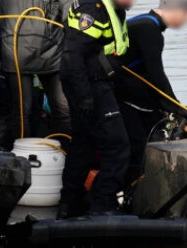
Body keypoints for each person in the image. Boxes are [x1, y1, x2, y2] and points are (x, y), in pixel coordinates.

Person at [58, 0, 134, 218]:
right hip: (88, 84)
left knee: (84, 144)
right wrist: (85, 96)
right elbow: (72, 55)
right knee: (118, 145)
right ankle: (102, 204)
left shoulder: (116, 9)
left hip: (94, 82)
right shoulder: (93, 10)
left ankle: (69, 204)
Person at [0, 0, 69, 146]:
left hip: (49, 53)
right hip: (17, 52)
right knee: (27, 110)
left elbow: (69, 8)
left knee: (55, 109)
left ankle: (65, 152)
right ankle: (24, 153)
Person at [116, 0, 187, 184]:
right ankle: (125, 191)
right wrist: (177, 108)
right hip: (117, 95)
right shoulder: (149, 30)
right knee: (137, 145)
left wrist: (171, 107)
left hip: (122, 92)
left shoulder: (143, 22)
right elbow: (156, 76)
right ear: (179, 11)